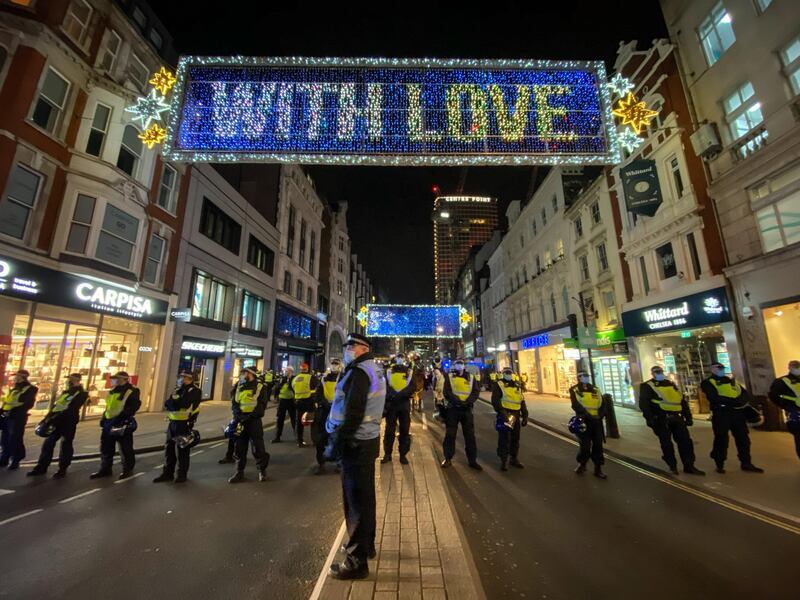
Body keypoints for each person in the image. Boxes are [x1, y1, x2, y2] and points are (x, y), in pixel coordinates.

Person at [325, 333, 386, 580]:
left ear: (363, 348)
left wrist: (337, 443)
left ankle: (356, 561)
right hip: (366, 440)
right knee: (365, 499)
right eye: (346, 345)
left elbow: (353, 412)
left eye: (351, 346)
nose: (347, 349)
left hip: (355, 443)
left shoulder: (360, 372)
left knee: (356, 504)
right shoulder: (374, 369)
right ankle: (366, 546)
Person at [639, 366, 705, 476]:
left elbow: (681, 400)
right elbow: (644, 404)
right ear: (652, 373)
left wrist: (688, 416)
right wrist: (650, 419)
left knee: (685, 442)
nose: (659, 373)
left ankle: (689, 465)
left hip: (676, 417)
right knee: (666, 443)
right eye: (657, 372)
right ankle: (672, 465)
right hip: (661, 418)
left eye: (660, 371)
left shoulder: (670, 384)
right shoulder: (647, 386)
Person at [701, 362, 764, 474]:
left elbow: (744, 394)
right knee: (721, 439)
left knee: (743, 439)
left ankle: (746, 463)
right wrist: (733, 402)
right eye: (719, 368)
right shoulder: (707, 382)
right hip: (721, 414)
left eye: (722, 368)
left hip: (737, 414)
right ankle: (719, 463)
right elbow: (713, 397)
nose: (721, 370)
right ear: (712, 369)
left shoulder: (732, 381)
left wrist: (739, 402)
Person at [28, 373, 87, 478]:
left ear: (77, 380)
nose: (68, 382)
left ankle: (62, 469)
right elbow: (56, 407)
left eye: (70, 380)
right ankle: (41, 467)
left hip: (68, 422)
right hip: (55, 421)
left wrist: (56, 417)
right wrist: (47, 418)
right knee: (48, 443)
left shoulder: (81, 393)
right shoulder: (65, 393)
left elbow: (72, 408)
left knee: (66, 444)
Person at [90, 371, 141, 480]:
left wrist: (120, 418)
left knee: (125, 447)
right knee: (106, 447)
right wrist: (104, 418)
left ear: (123, 379)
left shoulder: (132, 391)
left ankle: (127, 469)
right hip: (109, 422)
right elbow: (109, 407)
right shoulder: (112, 391)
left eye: (116, 378)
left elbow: (133, 407)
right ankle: (105, 469)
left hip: (121, 423)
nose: (113, 380)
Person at [154, 371, 202, 483]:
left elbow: (185, 404)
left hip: (184, 424)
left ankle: (181, 475)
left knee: (182, 451)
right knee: (169, 450)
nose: (180, 379)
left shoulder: (195, 391)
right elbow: (168, 404)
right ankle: (167, 473)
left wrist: (175, 401)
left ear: (189, 378)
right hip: (173, 423)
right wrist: (175, 402)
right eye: (180, 377)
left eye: (182, 377)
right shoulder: (178, 390)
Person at [227, 366, 270, 483]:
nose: (242, 374)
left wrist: (249, 417)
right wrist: (238, 416)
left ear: (251, 374)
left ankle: (262, 470)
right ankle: (239, 472)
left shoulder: (261, 387)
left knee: (258, 448)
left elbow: (261, 406)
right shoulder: (238, 386)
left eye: (244, 372)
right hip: (240, 420)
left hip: (254, 421)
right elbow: (235, 403)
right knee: (239, 448)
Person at [440, 358, 482, 470]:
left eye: (461, 364)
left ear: (464, 365)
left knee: (470, 436)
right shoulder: (449, 377)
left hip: (467, 410)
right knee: (450, 435)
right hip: (453, 409)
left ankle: (472, 460)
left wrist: (467, 402)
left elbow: (475, 392)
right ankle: (448, 458)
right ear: (454, 365)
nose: (459, 365)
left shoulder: (471, 377)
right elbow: (447, 392)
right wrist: (457, 401)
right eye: (457, 364)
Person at [570, 370, 607, 479]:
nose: (586, 378)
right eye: (583, 376)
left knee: (598, 445)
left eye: (587, 376)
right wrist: (584, 414)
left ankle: (598, 468)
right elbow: (575, 404)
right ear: (579, 378)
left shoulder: (595, 389)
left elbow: (603, 404)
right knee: (585, 445)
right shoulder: (575, 390)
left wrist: (601, 415)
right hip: (584, 421)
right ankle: (582, 464)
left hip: (596, 421)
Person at [491, 367, 528, 471]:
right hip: (505, 414)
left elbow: (522, 401)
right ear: (503, 374)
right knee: (504, 438)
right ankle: (504, 460)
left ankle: (513, 458)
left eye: (510, 373)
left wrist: (525, 415)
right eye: (506, 373)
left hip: (515, 415)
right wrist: (502, 413)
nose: (508, 374)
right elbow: (495, 400)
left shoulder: (517, 385)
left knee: (515, 438)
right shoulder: (499, 384)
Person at [0, 369, 38, 470]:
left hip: (17, 417)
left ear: (22, 377)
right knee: (4, 438)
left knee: (15, 438)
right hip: (7, 416)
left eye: (16, 376)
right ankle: (4, 458)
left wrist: (13, 410)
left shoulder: (30, 389)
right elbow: (8, 401)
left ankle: (15, 460)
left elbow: (27, 403)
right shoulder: (14, 388)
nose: (14, 378)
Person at [382, 353, 414, 464]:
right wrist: (392, 395)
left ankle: (403, 455)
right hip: (392, 404)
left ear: (404, 359)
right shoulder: (389, 370)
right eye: (399, 358)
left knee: (404, 430)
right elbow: (385, 385)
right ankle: (387, 454)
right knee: (389, 430)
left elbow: (412, 387)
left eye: (402, 358)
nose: (400, 359)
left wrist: (400, 395)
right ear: (396, 359)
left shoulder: (409, 371)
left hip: (404, 404)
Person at [312, 358, 341, 474]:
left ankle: (339, 464)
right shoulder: (323, 379)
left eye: (336, 364)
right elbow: (318, 395)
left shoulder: (343, 379)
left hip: (338, 414)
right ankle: (321, 464)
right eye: (333, 364)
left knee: (339, 439)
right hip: (324, 413)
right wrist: (325, 404)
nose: (334, 366)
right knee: (321, 440)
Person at [768, 359, 800, 461]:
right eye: (794, 367)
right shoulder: (781, 381)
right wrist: (787, 406)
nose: (797, 369)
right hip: (795, 413)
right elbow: (773, 395)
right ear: (789, 368)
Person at [292, 362, 319, 447]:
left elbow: (292, 388)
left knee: (299, 422)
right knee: (313, 421)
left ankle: (299, 441)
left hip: (298, 402)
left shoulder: (295, 378)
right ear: (307, 369)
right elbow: (317, 387)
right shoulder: (311, 377)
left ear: (300, 369)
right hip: (309, 402)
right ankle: (314, 440)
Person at [272, 366, 296, 443]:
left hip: (291, 401)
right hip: (282, 401)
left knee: (294, 419)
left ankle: (297, 437)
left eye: (288, 371)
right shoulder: (283, 379)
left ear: (291, 371)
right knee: (280, 419)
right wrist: (276, 396)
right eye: (286, 371)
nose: (286, 372)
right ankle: (277, 437)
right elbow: (277, 387)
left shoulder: (294, 379)